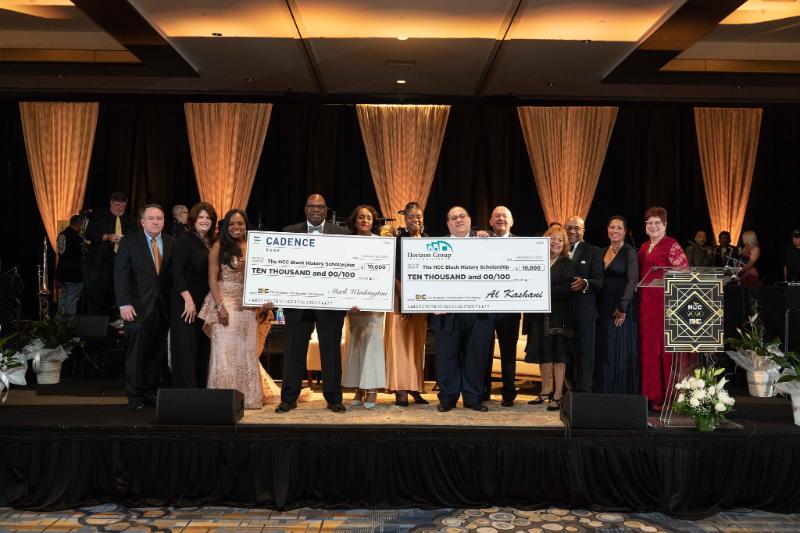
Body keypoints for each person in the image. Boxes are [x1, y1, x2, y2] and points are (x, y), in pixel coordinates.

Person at [198, 209, 293, 409]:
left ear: (246, 226)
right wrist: (219, 306)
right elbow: (212, 278)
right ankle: (222, 399)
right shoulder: (219, 246)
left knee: (246, 353)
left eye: (240, 223)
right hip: (225, 302)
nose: (236, 227)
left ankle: (248, 398)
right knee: (224, 352)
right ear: (226, 226)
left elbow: (264, 277)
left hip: (249, 305)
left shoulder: (254, 246)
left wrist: (266, 300)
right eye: (232, 224)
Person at [275, 194, 351, 413]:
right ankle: (288, 398)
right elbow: (280, 265)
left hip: (330, 305)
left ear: (326, 210)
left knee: (331, 354)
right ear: (305, 209)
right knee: (293, 353)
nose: (316, 209)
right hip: (298, 304)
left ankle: (334, 398)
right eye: (312, 206)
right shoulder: (289, 232)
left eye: (320, 206)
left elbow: (349, 269)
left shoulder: (342, 233)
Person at [431, 206, 495, 412]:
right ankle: (447, 398)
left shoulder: (485, 242)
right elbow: (425, 277)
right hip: (445, 310)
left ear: (469, 220)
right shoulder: (434, 247)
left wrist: (488, 237)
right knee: (446, 356)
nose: (458, 220)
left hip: (479, 311)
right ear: (448, 224)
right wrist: (430, 302)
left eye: (462, 216)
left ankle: (473, 398)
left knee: (476, 356)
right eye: (453, 218)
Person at [114, 204, 174, 412]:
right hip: (136, 309)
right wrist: (124, 303)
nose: (156, 222)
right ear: (142, 222)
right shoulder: (130, 242)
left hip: (162, 309)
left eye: (159, 218)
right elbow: (121, 274)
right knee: (136, 354)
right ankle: (134, 395)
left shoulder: (171, 242)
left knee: (156, 354)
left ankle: (150, 392)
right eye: (151, 218)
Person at [637, 206, 690, 410]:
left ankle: (669, 396)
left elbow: (683, 273)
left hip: (665, 305)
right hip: (644, 305)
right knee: (649, 348)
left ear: (665, 225)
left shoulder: (672, 245)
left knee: (665, 349)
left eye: (657, 223)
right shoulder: (643, 247)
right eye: (649, 223)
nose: (653, 226)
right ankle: (652, 394)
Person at [525, 225, 575, 411]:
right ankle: (545, 391)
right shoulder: (535, 260)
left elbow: (566, 288)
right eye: (552, 238)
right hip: (538, 316)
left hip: (559, 315)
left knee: (558, 355)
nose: (555, 242)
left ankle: (558, 395)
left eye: (559, 240)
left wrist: (541, 292)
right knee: (543, 353)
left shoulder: (567, 263)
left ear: (564, 244)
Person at [340, 205, 387, 409]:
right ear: (355, 220)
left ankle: (373, 390)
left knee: (373, 346)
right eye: (361, 217)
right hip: (354, 307)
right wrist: (346, 301)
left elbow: (384, 274)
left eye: (368, 217)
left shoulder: (382, 243)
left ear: (373, 221)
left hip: (375, 307)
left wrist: (374, 300)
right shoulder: (346, 243)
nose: (365, 220)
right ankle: (359, 388)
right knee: (356, 345)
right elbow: (343, 272)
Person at [385, 201, 429, 407]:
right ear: (405, 218)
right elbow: (395, 274)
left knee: (416, 344)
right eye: (412, 217)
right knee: (400, 344)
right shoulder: (398, 240)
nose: (416, 220)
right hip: (400, 298)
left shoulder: (428, 240)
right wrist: (405, 302)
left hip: (420, 301)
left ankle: (414, 387)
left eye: (419, 216)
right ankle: (400, 389)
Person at [170, 202, 217, 388]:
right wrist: (188, 300)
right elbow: (176, 272)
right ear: (194, 220)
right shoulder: (185, 240)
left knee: (202, 347)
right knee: (186, 348)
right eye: (201, 217)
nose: (204, 221)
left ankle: (200, 390)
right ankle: (186, 393)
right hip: (185, 302)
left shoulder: (213, 242)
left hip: (205, 304)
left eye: (208, 218)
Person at [595, 216, 639, 394]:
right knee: (604, 349)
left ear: (625, 231)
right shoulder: (602, 250)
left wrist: (623, 307)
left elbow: (633, 280)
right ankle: (603, 390)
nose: (615, 230)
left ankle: (617, 392)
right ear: (607, 229)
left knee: (615, 349)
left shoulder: (630, 252)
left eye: (619, 228)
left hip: (620, 308)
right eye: (612, 227)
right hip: (602, 306)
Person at [484, 205, 521, 407]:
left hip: (510, 309)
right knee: (483, 351)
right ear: (490, 221)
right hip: (485, 309)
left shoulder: (524, 246)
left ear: (511, 221)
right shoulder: (480, 241)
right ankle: (483, 391)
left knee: (508, 353)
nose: (500, 219)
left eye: (504, 216)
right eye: (496, 216)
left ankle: (508, 393)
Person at [564, 215, 604, 393]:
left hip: (585, 311)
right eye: (569, 227)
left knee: (585, 354)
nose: (572, 231)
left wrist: (585, 282)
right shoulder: (556, 248)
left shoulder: (594, 251)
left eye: (576, 228)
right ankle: (564, 391)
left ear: (583, 231)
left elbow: (600, 281)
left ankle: (584, 392)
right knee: (564, 354)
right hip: (561, 311)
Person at [86, 192, 135, 315]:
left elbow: (136, 238)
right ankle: (95, 323)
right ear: (111, 203)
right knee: (97, 294)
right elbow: (89, 234)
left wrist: (126, 240)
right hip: (100, 264)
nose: (120, 208)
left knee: (118, 293)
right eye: (118, 205)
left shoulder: (130, 219)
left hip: (121, 263)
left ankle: (117, 322)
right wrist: (107, 237)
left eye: (123, 206)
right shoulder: (99, 215)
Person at [55, 215, 84, 315]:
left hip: (61, 272)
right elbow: (81, 255)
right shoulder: (77, 238)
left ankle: (60, 325)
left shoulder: (61, 235)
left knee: (63, 297)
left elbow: (61, 252)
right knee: (72, 298)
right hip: (74, 274)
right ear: (80, 225)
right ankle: (70, 325)